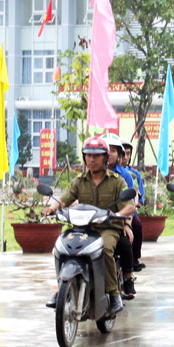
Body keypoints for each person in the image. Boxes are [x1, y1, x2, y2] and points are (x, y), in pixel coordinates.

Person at [43, 136, 135, 315]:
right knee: (61, 247)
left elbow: (130, 206)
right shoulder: (78, 181)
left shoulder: (117, 181)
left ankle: (114, 293)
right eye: (88, 155)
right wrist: (51, 208)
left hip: (108, 228)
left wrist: (117, 215)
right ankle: (61, 287)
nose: (92, 159)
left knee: (106, 249)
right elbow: (64, 200)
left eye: (97, 156)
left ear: (105, 157)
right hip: (82, 228)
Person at [103, 134, 139, 296]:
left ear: (119, 154)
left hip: (117, 218)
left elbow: (129, 203)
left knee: (125, 241)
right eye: (106, 151)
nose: (109, 154)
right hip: (94, 220)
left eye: (113, 151)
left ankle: (128, 277)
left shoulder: (124, 176)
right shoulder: (86, 176)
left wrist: (126, 224)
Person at [119, 140, 147, 271]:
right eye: (123, 153)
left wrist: (136, 205)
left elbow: (139, 195)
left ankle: (134, 259)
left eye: (128, 154)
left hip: (128, 209)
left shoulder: (133, 175)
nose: (125, 157)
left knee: (137, 225)